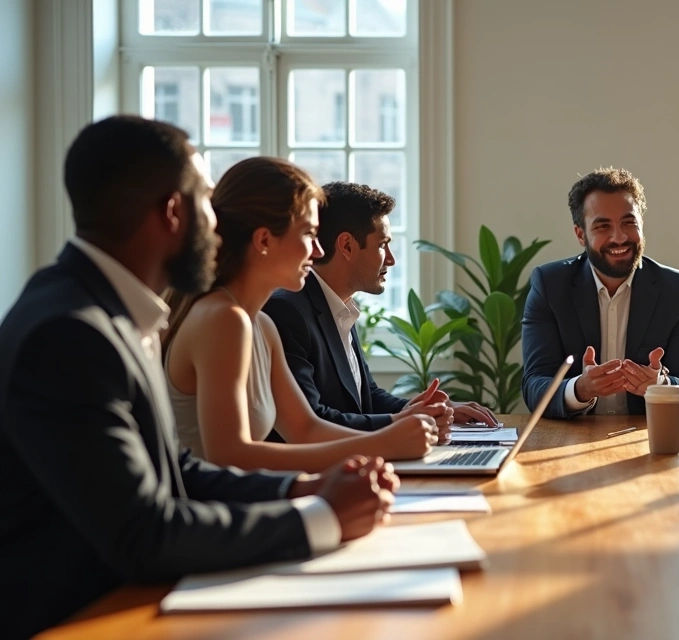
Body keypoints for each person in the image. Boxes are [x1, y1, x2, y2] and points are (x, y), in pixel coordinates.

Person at [0, 116, 399, 638]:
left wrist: (303, 487)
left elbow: (175, 468)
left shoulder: (108, 311)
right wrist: (320, 518)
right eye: (207, 201)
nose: (218, 222)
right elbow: (143, 533)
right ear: (173, 212)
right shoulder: (70, 334)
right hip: (82, 620)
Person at [163, 157, 441, 473]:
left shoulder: (261, 325)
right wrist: (386, 444)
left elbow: (306, 430)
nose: (319, 251)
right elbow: (230, 457)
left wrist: (394, 436)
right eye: (309, 234)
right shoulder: (224, 320)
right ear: (264, 240)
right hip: (217, 503)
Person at [262, 181, 497, 433]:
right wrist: (405, 423)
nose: (391, 259)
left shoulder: (340, 306)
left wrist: (425, 409)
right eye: (383, 244)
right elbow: (312, 420)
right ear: (347, 246)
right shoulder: (287, 311)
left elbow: (367, 398)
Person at [521, 167, 679, 419]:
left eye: (629, 223)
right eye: (602, 226)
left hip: (646, 435)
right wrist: (579, 389)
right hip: (572, 437)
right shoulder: (550, 286)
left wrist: (660, 387)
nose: (619, 237)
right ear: (581, 235)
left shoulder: (677, 289)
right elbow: (534, 385)